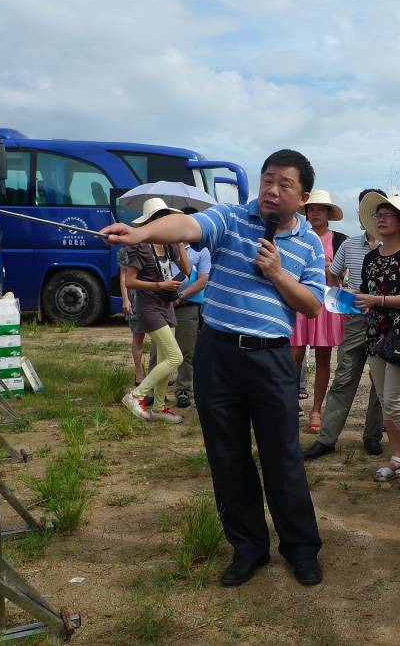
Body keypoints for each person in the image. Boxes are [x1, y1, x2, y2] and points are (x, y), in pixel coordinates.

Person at [102, 149, 326, 588]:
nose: (272, 190)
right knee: (228, 458)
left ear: (303, 197)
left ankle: (301, 549)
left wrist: (278, 273)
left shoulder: (310, 243)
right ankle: (248, 549)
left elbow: (313, 306)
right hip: (218, 353)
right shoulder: (231, 218)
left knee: (283, 458)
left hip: (271, 358)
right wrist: (140, 233)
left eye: (284, 184)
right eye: (267, 180)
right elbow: (187, 226)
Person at [303, 189, 387, 460]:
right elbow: (332, 274)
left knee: (380, 381)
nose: (372, 216)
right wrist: (342, 299)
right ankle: (327, 438)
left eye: (378, 211)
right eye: (366, 210)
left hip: (386, 319)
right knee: (344, 376)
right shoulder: (349, 244)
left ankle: (372, 435)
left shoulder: (397, 246)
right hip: (357, 318)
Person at [352, 193, 400, 490]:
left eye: (387, 215)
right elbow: (364, 292)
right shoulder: (370, 257)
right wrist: (355, 301)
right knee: (386, 401)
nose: (380, 219)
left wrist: (376, 300)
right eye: (378, 215)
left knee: (396, 401)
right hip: (375, 334)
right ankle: (397, 457)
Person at [118, 198, 191, 423]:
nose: (167, 222)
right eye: (162, 218)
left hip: (165, 305)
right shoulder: (140, 246)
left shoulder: (169, 244)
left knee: (165, 358)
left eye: (167, 218)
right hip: (148, 306)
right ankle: (135, 395)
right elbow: (129, 281)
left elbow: (188, 270)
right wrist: (160, 285)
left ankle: (159, 408)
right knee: (175, 357)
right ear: (151, 221)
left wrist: (180, 243)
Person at [290, 190, 348, 433]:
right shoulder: (296, 236)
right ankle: (288, 404)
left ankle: (316, 410)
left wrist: (328, 269)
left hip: (326, 303)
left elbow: (342, 274)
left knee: (323, 358)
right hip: (298, 300)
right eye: (311, 208)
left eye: (320, 209)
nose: (315, 213)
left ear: (328, 214)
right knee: (293, 355)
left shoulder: (340, 240)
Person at [146, 206, 211, 409]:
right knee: (157, 350)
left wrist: (180, 296)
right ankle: (153, 391)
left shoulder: (201, 250)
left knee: (186, 350)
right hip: (162, 304)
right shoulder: (163, 245)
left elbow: (202, 280)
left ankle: (184, 389)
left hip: (187, 305)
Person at [118, 248, 147, 386]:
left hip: (154, 295)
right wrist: (125, 299)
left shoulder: (157, 244)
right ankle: (139, 373)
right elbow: (123, 275)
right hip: (135, 297)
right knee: (138, 335)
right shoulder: (126, 250)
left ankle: (162, 372)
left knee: (160, 336)